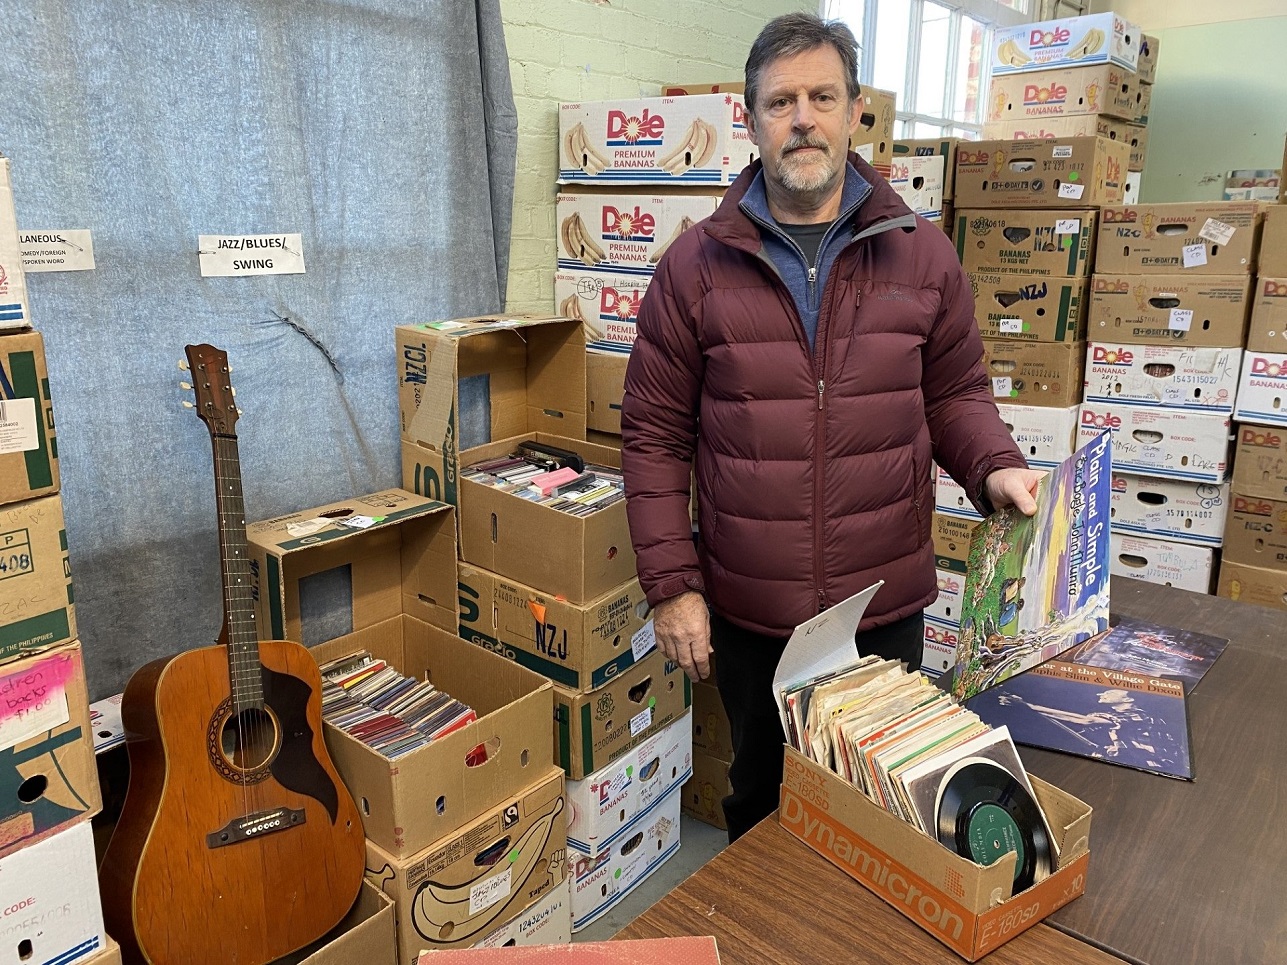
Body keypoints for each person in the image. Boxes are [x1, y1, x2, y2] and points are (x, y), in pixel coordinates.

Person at [619, 12, 1042, 842]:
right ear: (750, 121)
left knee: (888, 811)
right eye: (780, 101)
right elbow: (653, 439)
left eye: (821, 96)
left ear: (854, 113)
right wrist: (672, 586)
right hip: (751, 613)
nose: (802, 117)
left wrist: (993, 465)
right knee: (762, 803)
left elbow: (954, 392)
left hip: (881, 606)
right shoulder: (692, 269)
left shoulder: (922, 255)